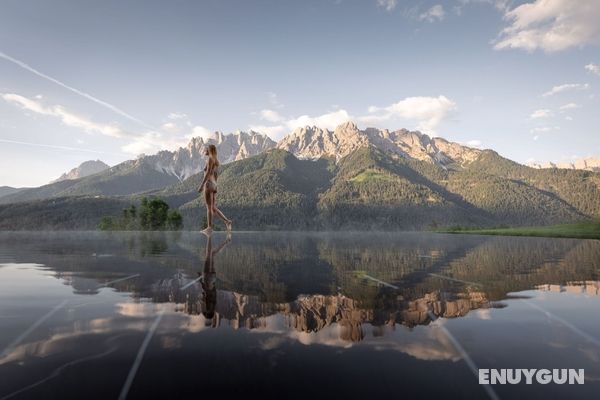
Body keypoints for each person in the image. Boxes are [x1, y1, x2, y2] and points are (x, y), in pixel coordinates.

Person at [198, 144, 232, 234]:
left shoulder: (209, 159)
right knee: (213, 207)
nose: (204, 150)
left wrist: (202, 185)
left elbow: (208, 172)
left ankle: (209, 228)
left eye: (206, 149)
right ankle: (227, 221)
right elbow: (216, 175)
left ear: (209, 150)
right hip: (213, 184)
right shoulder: (216, 161)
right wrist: (215, 186)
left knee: (208, 207)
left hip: (208, 184)